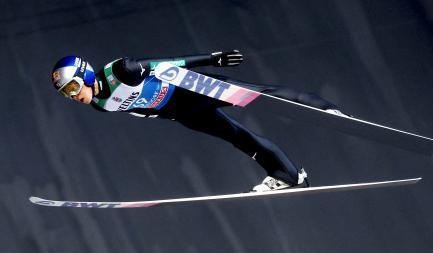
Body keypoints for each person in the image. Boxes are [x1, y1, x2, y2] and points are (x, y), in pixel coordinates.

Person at [51, 51, 345, 192]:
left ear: (86, 75)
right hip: (182, 113)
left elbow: (164, 65)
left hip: (192, 89)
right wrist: (169, 114)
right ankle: (289, 176)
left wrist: (212, 59)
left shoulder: (121, 71)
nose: (73, 96)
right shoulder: (100, 105)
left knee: (259, 95)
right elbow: (142, 108)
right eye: (67, 94)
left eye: (73, 87)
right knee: (237, 137)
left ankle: (325, 109)